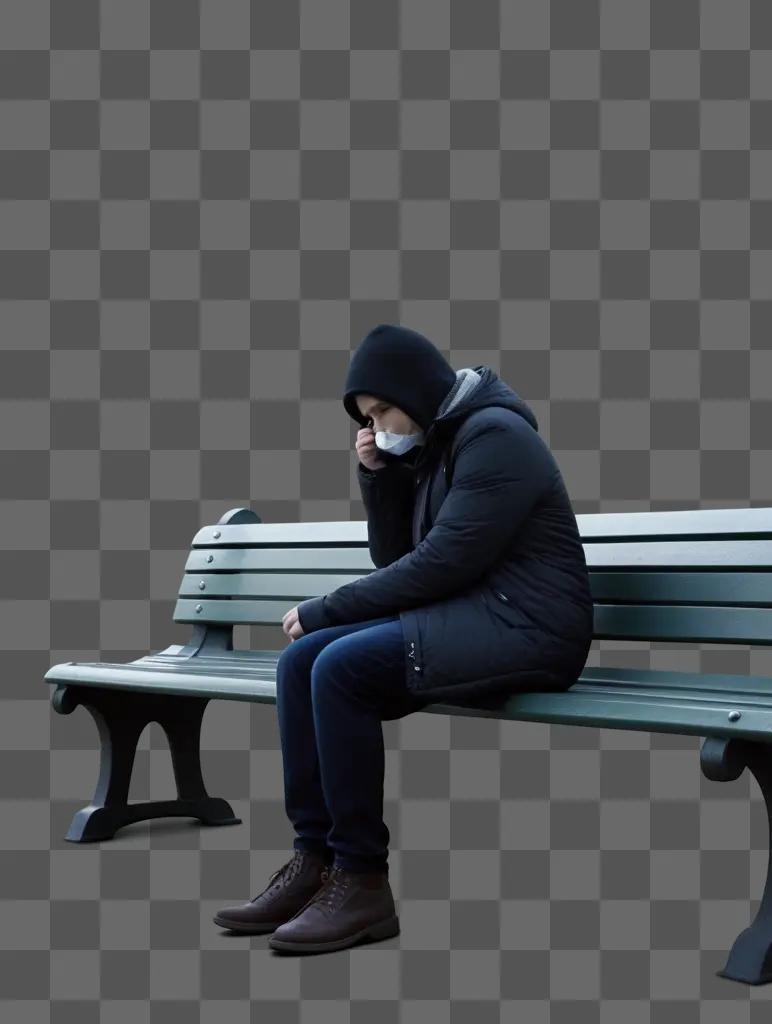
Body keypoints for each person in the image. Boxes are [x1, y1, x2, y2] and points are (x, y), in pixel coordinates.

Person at [213, 323, 594, 955]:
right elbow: (399, 557)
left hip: (532, 628)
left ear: (414, 391)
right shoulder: (436, 448)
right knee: (301, 661)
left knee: (339, 666)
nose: (375, 425)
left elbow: (443, 563)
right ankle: (315, 861)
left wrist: (328, 607)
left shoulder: (496, 438)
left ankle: (361, 880)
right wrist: (382, 476)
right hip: (479, 616)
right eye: (365, 419)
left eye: (381, 410)